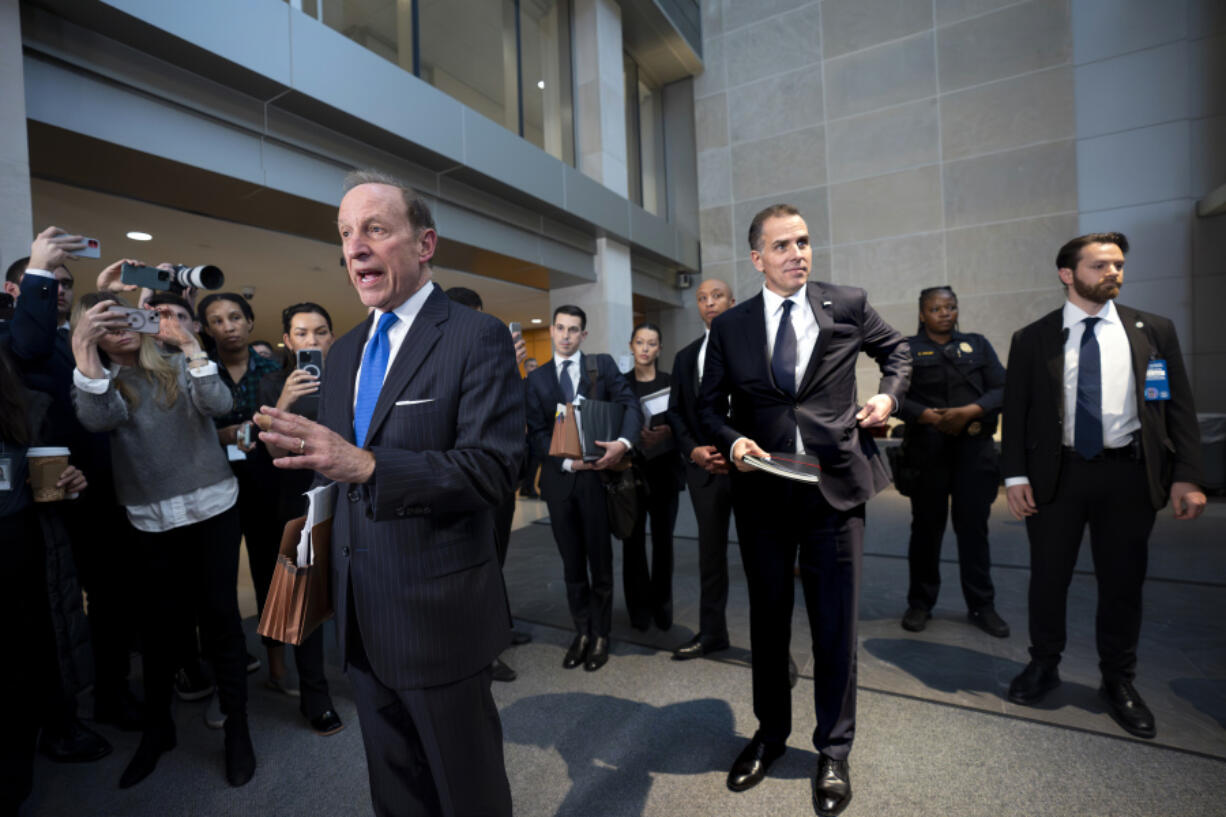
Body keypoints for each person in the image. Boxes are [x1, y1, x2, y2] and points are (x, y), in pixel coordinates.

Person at [256, 170, 523, 816]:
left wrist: (370, 465)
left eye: (375, 228)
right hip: (359, 618)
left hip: (438, 616)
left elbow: (491, 469)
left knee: (468, 796)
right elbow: (339, 471)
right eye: (346, 234)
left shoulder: (473, 336)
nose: (355, 247)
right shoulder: (344, 352)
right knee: (396, 794)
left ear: (425, 242)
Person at [699, 204, 910, 816]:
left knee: (835, 625)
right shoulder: (732, 326)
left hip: (834, 491)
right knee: (767, 623)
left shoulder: (844, 302)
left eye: (805, 241)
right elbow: (711, 404)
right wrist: (732, 440)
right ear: (756, 258)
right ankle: (769, 736)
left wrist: (887, 395)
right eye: (783, 245)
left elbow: (895, 351)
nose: (799, 253)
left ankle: (833, 749)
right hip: (764, 495)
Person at [1002, 232, 1206, 739]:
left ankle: (1119, 680)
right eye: (1099, 266)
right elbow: (1017, 410)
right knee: (1048, 578)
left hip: (1129, 474)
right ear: (1067, 274)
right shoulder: (1034, 338)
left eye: (1117, 264)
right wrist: (1015, 476)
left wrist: (1186, 475)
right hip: (1058, 476)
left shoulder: (1153, 329)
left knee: (1123, 583)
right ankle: (1043, 665)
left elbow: (1178, 407)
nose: (1113, 273)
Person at [71, 291, 255, 788]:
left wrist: (192, 345)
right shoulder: (99, 383)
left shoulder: (177, 362)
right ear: (90, 333)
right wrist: (83, 351)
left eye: (126, 317)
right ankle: (159, 731)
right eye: (105, 324)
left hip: (211, 505)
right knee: (160, 629)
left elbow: (220, 403)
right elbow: (98, 418)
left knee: (221, 620)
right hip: (149, 516)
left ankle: (238, 731)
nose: (121, 329)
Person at [0, 341, 95, 813]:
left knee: (24, 667)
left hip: (23, 555)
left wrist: (70, 484)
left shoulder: (25, 410)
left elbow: (51, 486)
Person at [525, 305, 641, 672]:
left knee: (600, 561)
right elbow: (537, 432)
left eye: (573, 329)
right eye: (560, 327)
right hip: (561, 482)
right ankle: (583, 632)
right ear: (552, 328)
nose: (565, 335)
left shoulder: (601, 366)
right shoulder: (538, 379)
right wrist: (564, 461)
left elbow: (630, 406)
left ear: (583, 335)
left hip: (597, 478)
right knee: (572, 563)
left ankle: (602, 634)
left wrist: (623, 443)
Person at [896, 286, 1009, 637]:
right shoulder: (906, 350)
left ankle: (982, 605)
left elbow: (1003, 388)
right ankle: (920, 603)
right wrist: (929, 417)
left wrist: (970, 411)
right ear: (922, 314)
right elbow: (896, 395)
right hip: (927, 450)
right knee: (926, 531)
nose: (944, 313)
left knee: (974, 530)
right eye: (936, 308)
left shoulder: (977, 344)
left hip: (973, 450)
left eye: (950, 306)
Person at [255, 302, 345, 736]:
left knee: (359, 592)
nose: (313, 341)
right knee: (306, 602)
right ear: (287, 341)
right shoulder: (272, 383)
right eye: (302, 333)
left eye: (321, 332)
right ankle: (316, 697)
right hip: (300, 502)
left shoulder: (350, 378)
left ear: (332, 335)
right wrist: (286, 400)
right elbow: (273, 452)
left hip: (351, 496)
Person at [443, 285, 532, 684]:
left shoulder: (491, 357)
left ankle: (499, 630)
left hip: (496, 478)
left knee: (495, 558)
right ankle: (482, 650)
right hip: (462, 480)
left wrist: (510, 370)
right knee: (474, 566)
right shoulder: (442, 360)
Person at [198, 291, 283, 682]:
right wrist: (221, 436)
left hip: (264, 483)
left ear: (250, 321)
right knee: (216, 579)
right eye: (216, 320)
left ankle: (277, 662)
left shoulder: (272, 371)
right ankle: (226, 668)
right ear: (205, 329)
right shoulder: (196, 370)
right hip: (211, 485)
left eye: (235, 317)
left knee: (269, 572)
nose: (227, 327)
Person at [667, 277, 736, 660]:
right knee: (710, 557)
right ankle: (713, 634)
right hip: (704, 470)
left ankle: (771, 643)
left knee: (764, 557)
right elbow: (676, 412)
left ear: (733, 301)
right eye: (702, 298)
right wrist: (693, 451)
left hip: (748, 468)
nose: (709, 302)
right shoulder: (685, 356)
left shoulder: (754, 347)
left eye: (717, 296)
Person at [620, 322, 683, 632]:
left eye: (651, 343)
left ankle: (662, 604)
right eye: (640, 342)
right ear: (631, 346)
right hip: (630, 473)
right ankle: (638, 608)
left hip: (665, 472)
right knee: (632, 544)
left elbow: (684, 426)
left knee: (663, 543)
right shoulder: (620, 385)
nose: (645, 348)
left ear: (659, 348)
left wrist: (667, 434)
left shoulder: (672, 383)